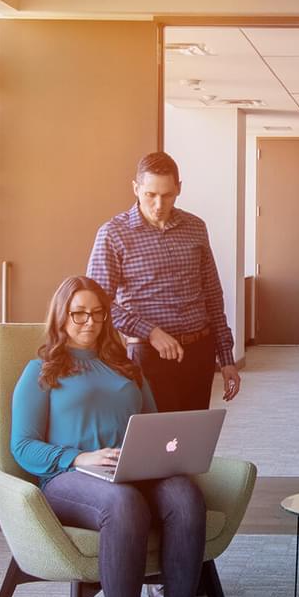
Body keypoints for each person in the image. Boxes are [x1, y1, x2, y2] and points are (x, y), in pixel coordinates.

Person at [10, 275, 207, 597]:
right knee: (122, 504)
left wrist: (164, 456)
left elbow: (152, 424)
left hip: (132, 469)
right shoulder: (41, 370)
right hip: (69, 478)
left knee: (186, 495)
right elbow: (22, 447)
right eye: (78, 313)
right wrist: (79, 457)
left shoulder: (126, 366)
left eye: (97, 314)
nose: (89, 322)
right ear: (61, 315)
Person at [87, 151, 241, 413]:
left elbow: (213, 295)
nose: (159, 204)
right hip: (149, 355)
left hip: (199, 351)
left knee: (194, 436)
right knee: (158, 440)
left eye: (167, 194)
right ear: (136, 188)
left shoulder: (195, 227)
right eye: (150, 194)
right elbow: (97, 305)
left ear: (178, 189)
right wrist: (151, 331)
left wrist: (226, 358)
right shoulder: (113, 234)